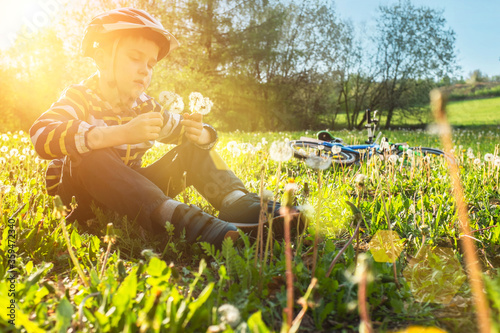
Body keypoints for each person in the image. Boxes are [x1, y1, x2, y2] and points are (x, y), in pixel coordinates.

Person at [30, 8, 302, 249]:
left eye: (150, 64)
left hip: (134, 195)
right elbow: (41, 134)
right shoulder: (79, 97)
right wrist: (119, 134)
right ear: (101, 58)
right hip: (84, 201)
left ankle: (238, 203)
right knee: (91, 157)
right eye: (135, 58)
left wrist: (201, 133)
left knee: (191, 150)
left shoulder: (146, 106)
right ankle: (181, 219)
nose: (144, 71)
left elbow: (180, 131)